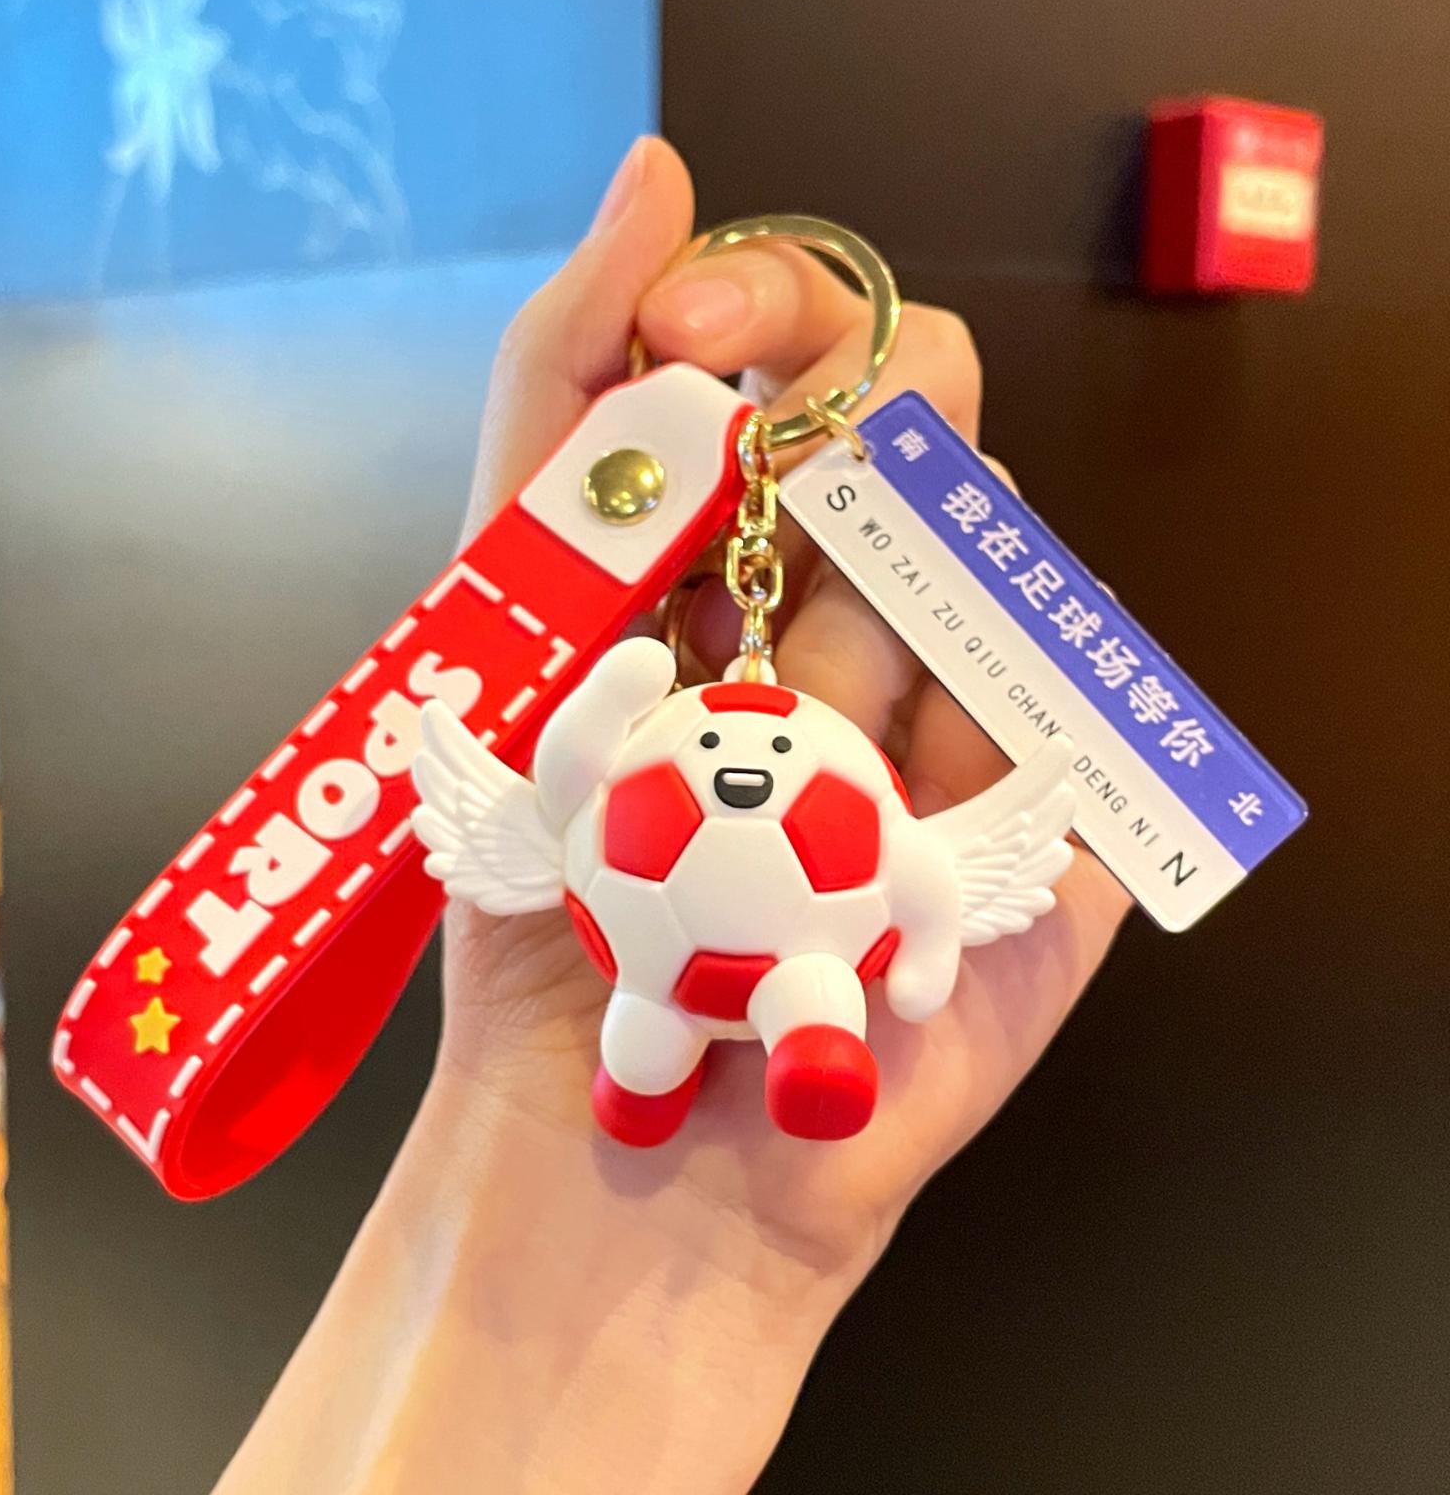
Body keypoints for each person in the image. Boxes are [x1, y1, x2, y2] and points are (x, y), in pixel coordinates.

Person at [213, 137, 1131, 1494]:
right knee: (645, 1036)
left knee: (792, 996)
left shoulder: (849, 812)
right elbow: (571, 786)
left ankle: (805, 1046)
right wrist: (603, 680)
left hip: (803, 967)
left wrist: (922, 961)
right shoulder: (621, 789)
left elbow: (925, 883)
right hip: (652, 976)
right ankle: (652, 1086)